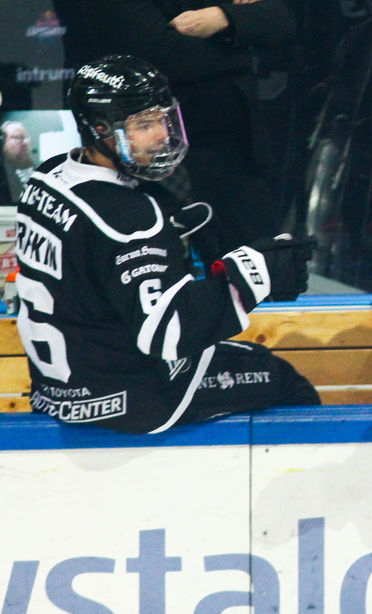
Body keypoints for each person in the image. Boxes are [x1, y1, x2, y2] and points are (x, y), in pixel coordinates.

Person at [14, 55, 318, 434]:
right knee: (280, 377)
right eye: (143, 124)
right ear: (98, 128)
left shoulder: (47, 177)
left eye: (163, 117)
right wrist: (252, 274)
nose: (161, 134)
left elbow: (88, 269)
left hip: (57, 391)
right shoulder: (131, 219)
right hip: (133, 401)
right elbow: (169, 332)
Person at [83, 1, 297, 254]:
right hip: (146, 146)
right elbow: (157, 51)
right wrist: (242, 49)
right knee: (155, 255)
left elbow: (280, 19)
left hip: (233, 146)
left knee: (263, 263)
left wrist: (221, 18)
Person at [1, 120, 36, 203]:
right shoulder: (3, 175)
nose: (25, 143)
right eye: (17, 138)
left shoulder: (40, 169)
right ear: (3, 143)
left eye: (26, 138)